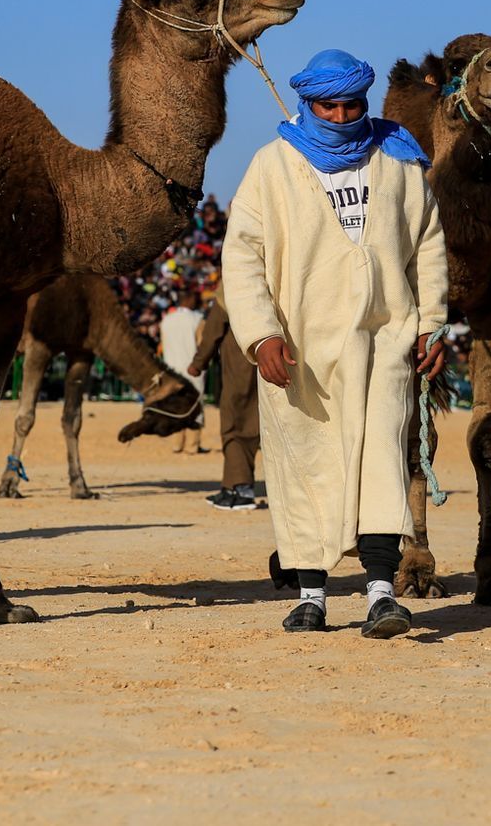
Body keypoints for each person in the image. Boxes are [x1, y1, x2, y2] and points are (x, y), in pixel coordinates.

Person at [222, 48, 448, 637]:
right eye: (331, 105)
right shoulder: (273, 165)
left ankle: (380, 595)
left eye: (353, 104)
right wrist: (260, 335)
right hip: (300, 350)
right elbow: (242, 256)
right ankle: (312, 596)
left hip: (386, 338)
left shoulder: (397, 159)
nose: (344, 115)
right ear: (308, 102)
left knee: (381, 463)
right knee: (307, 468)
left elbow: (427, 241)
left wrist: (432, 323)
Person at [188, 278, 261, 511]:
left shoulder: (235, 282)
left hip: (241, 363)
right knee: (254, 424)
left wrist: (199, 363)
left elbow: (213, 329)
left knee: (235, 424)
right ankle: (230, 486)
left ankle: (240, 488)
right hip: (275, 361)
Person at [158, 299, 208, 454]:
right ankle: (192, 445)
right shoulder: (197, 319)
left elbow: (163, 344)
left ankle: (177, 444)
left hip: (171, 368)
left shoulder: (166, 320)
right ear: (191, 301)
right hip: (192, 368)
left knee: (176, 406)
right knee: (194, 405)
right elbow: (202, 344)